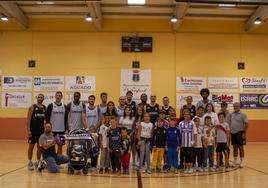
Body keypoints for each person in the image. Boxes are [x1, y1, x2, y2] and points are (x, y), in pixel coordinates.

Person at [27, 93, 46, 171]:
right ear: (37, 98)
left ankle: (38, 162)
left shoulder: (45, 108)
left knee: (39, 147)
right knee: (31, 147)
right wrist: (28, 130)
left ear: (43, 99)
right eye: (39, 97)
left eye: (41, 97)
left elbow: (45, 120)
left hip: (41, 132)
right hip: (33, 131)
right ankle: (30, 161)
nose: (40, 98)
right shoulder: (32, 107)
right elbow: (28, 120)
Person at [229, 102, 248, 168]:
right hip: (233, 133)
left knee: (241, 148)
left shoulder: (243, 114)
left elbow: (246, 124)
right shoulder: (232, 114)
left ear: (239, 107)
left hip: (240, 133)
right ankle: (235, 162)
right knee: (235, 148)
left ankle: (242, 162)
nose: (235, 107)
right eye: (234, 106)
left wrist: (244, 133)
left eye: (237, 106)